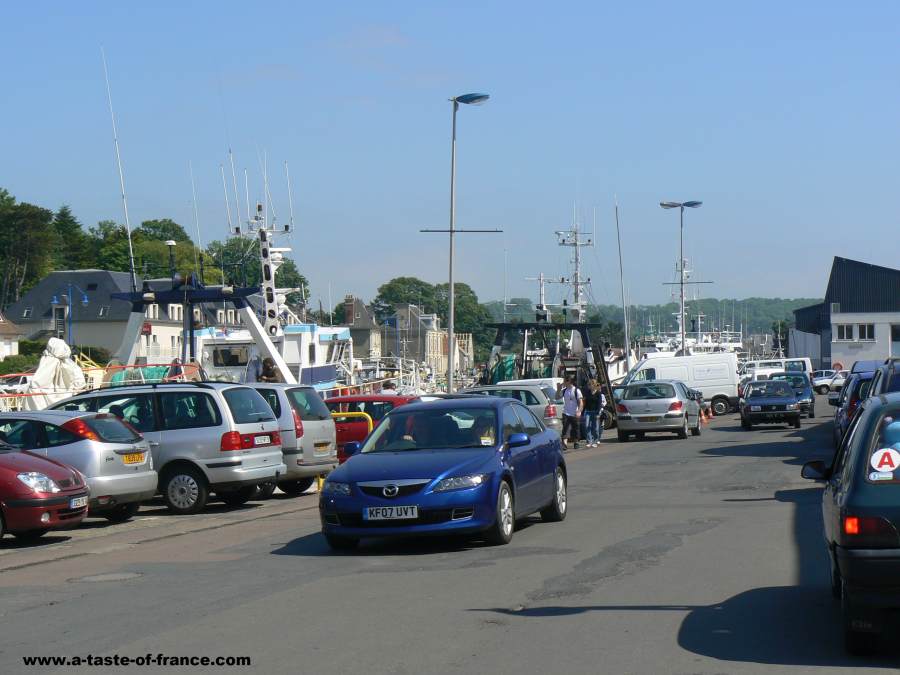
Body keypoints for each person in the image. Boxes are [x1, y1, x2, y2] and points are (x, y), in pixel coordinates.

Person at [560, 376, 583, 450]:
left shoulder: (576, 390)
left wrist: (579, 411)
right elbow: (556, 397)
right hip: (566, 412)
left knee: (575, 428)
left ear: (569, 382)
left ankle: (576, 442)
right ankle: (564, 444)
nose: (563, 383)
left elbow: (581, 403)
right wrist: (558, 389)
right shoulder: (564, 390)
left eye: (564, 381)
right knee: (565, 428)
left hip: (574, 413)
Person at [582, 379, 605, 447]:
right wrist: (583, 412)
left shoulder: (598, 393)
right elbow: (585, 403)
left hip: (595, 412)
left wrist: (598, 413)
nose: (588, 386)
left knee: (595, 428)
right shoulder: (587, 392)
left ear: (593, 385)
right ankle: (589, 441)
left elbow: (599, 404)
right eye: (588, 384)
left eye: (590, 384)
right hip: (588, 411)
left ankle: (596, 440)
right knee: (587, 426)